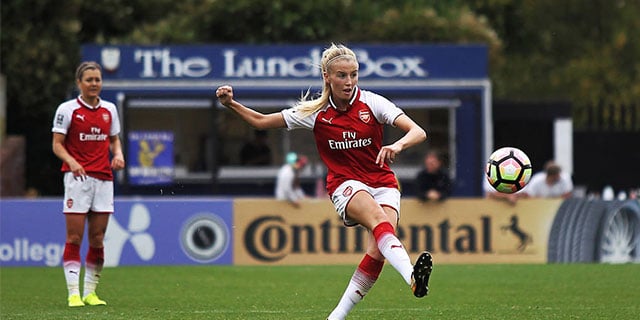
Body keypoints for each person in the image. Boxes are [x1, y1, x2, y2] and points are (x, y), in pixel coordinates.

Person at [216, 43, 432, 320]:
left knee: (377, 252)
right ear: (326, 77)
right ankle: (412, 275)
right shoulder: (316, 113)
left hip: (383, 181)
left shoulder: (372, 102)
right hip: (345, 184)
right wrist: (230, 104)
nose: (349, 82)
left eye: (354, 74)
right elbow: (260, 121)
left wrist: (398, 146)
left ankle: (336, 317)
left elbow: (418, 131)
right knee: (379, 221)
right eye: (342, 75)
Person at [52, 61, 125, 307]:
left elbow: (114, 139)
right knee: (74, 237)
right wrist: (71, 162)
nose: (94, 84)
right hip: (77, 179)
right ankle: (73, 293)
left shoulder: (109, 110)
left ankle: (91, 292)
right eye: (89, 80)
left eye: (97, 80)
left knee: (97, 239)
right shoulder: (68, 109)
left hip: (104, 179)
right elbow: (57, 144)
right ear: (79, 83)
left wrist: (118, 154)